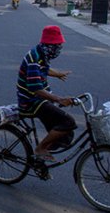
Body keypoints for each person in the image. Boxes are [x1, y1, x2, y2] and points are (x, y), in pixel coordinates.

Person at [17, 25, 76, 161]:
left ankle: (41, 156)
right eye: (57, 46)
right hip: (31, 101)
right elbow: (35, 88)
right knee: (68, 122)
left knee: (60, 127)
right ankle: (40, 149)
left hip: (38, 99)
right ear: (49, 45)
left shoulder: (41, 54)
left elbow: (44, 69)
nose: (58, 49)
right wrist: (59, 99)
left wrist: (58, 74)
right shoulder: (34, 58)